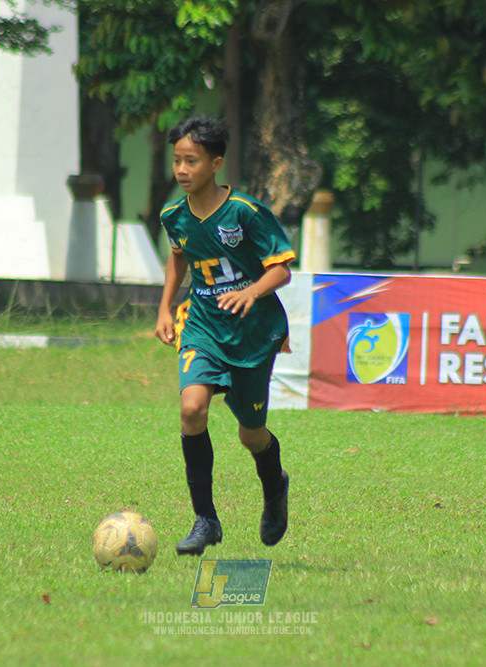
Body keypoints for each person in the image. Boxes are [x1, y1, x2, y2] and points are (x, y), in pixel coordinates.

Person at [154, 114, 295, 556]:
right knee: (192, 409)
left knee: (251, 435)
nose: (181, 170)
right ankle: (206, 520)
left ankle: (275, 487)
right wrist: (164, 307)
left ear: (215, 164)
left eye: (191, 161)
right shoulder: (173, 215)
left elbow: (282, 269)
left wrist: (252, 291)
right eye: (177, 160)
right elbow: (179, 257)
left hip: (253, 334)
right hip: (202, 326)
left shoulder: (245, 212)